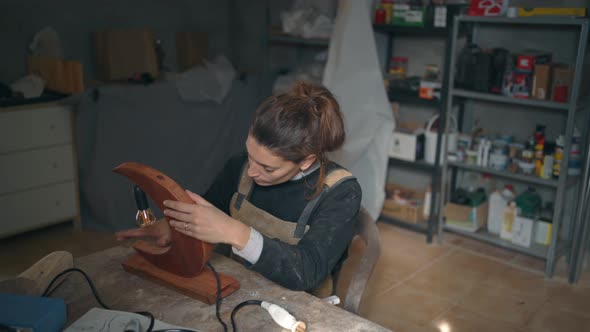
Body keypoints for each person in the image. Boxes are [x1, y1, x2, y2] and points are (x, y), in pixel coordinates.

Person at [116, 81, 362, 295]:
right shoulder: (241, 165)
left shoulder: (341, 193)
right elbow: (210, 207)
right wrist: (176, 227)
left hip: (301, 303)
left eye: (268, 168)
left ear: (306, 161)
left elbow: (308, 271)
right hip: (243, 287)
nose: (252, 171)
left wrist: (236, 233)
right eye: (250, 155)